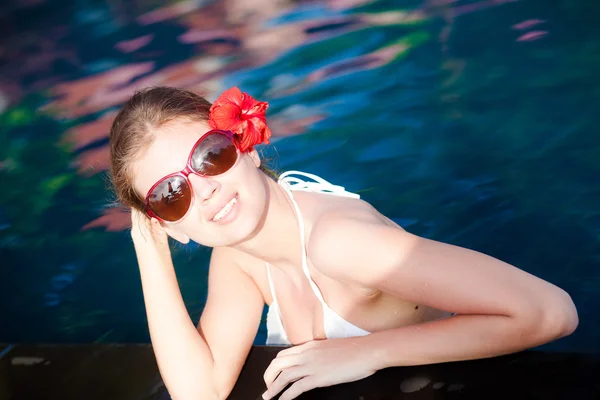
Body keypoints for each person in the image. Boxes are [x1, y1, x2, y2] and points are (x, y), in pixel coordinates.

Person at [108, 86, 578, 400]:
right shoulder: (240, 258)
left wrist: (368, 352)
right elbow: (200, 392)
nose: (204, 189)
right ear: (170, 224)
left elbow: (551, 311)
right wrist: (149, 250)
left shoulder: (337, 243)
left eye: (210, 156)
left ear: (246, 146)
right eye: (171, 195)